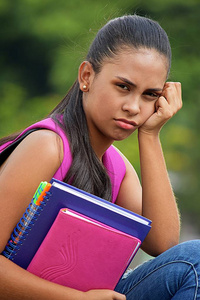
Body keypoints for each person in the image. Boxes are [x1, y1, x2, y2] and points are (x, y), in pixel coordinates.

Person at [0, 14, 199, 300]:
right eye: (124, 87)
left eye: (149, 95)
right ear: (87, 77)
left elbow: (164, 245)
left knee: (193, 262)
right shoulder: (47, 146)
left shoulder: (116, 166)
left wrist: (151, 135)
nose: (134, 107)